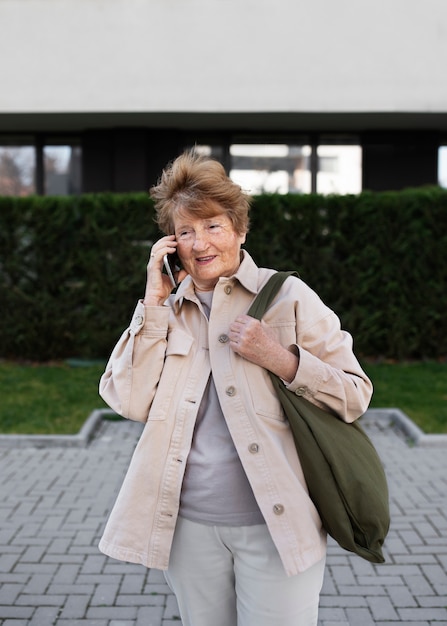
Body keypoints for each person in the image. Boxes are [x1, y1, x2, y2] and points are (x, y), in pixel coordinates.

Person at [98, 149, 373, 626]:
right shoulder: (165, 311)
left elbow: (355, 395)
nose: (200, 242)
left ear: (240, 230)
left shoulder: (288, 296)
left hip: (277, 526)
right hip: (188, 530)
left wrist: (281, 358)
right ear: (171, 243)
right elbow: (128, 400)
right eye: (185, 231)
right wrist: (152, 303)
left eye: (213, 226)